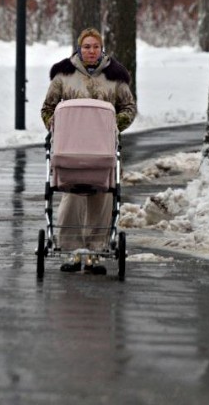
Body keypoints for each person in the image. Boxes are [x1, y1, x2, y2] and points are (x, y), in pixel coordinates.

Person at [41, 27, 137, 274]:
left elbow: (128, 107)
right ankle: (71, 249)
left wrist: (113, 127)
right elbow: (48, 108)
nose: (91, 51)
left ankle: (96, 251)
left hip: (102, 147)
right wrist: (56, 128)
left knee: (103, 197)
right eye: (86, 46)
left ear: (101, 48)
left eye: (95, 46)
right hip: (72, 147)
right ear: (79, 49)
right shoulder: (63, 76)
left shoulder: (115, 77)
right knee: (71, 198)